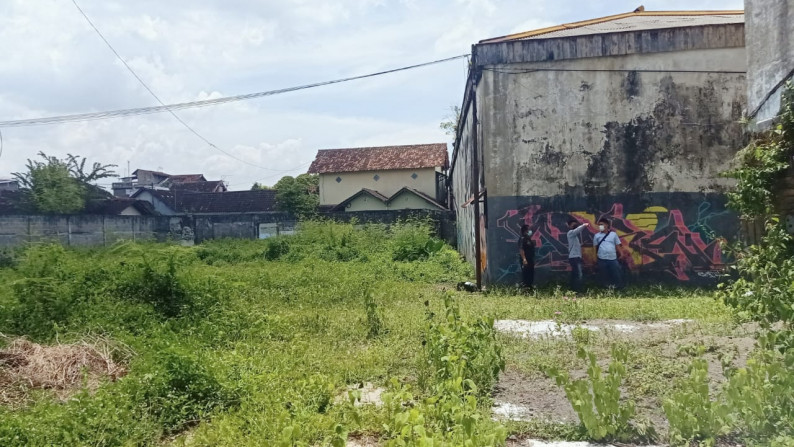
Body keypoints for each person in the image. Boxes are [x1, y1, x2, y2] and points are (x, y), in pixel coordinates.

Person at [592, 218, 623, 290]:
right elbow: (594, 247)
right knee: (604, 274)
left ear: (607, 225)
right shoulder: (597, 236)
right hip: (601, 258)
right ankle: (606, 288)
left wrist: (621, 253)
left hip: (612, 258)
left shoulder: (613, 234)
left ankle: (618, 287)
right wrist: (594, 257)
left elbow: (617, 245)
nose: (600, 226)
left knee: (616, 273)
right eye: (599, 225)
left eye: (601, 225)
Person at [566, 219, 589, 292]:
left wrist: (581, 245)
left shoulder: (574, 237)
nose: (574, 226)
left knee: (574, 274)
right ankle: (578, 291)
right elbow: (577, 231)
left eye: (575, 224)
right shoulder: (570, 233)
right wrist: (584, 225)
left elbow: (575, 246)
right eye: (573, 225)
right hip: (574, 258)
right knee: (579, 275)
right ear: (569, 226)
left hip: (575, 257)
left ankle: (572, 289)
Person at [518, 224, 535, 290]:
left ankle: (529, 286)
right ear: (525, 230)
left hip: (530, 259)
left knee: (531, 273)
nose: (530, 230)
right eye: (529, 229)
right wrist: (524, 259)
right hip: (526, 259)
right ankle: (525, 288)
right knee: (526, 274)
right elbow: (521, 249)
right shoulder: (522, 238)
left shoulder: (528, 238)